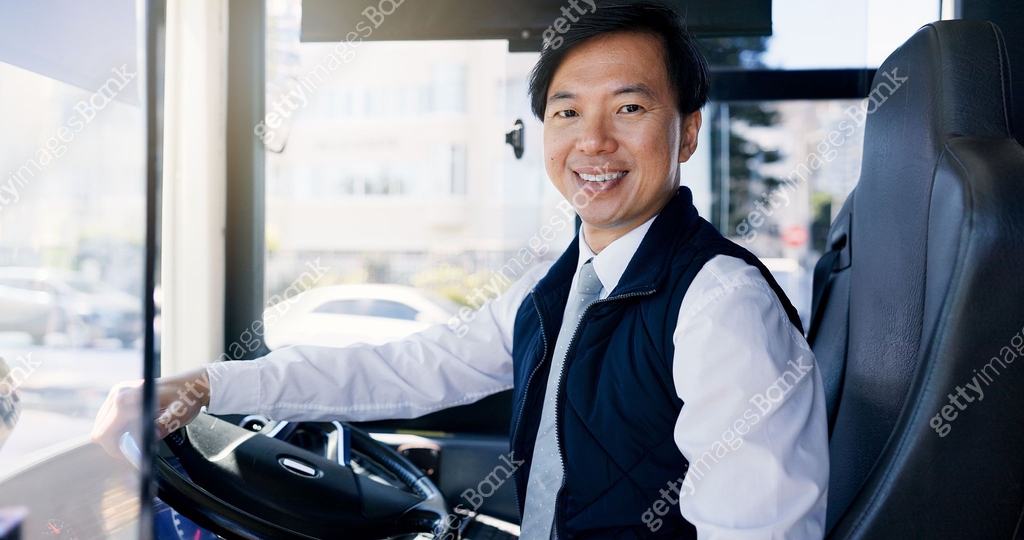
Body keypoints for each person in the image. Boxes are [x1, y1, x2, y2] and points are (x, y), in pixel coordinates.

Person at [93, 1, 829, 537]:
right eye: (567, 113)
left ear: (688, 131)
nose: (593, 141)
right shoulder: (563, 287)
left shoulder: (719, 304)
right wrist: (210, 384)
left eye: (629, 107)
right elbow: (404, 370)